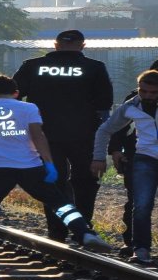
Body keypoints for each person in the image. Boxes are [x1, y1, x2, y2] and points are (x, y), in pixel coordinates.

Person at [0, 75, 111, 261]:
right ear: (16, 93)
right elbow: (38, 136)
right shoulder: (28, 107)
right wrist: (49, 163)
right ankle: (84, 233)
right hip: (30, 166)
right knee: (59, 203)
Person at [13, 29, 114, 243]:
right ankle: (83, 228)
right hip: (84, 135)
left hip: (43, 135)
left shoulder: (32, 66)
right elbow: (105, 105)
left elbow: (12, 96)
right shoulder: (95, 68)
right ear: (83, 45)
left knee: (52, 181)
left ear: (55, 44)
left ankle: (56, 230)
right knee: (85, 182)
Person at [92, 70, 158, 263]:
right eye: (143, 91)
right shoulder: (132, 105)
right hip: (145, 159)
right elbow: (105, 129)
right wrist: (99, 157)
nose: (148, 96)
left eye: (154, 93)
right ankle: (141, 249)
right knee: (142, 205)